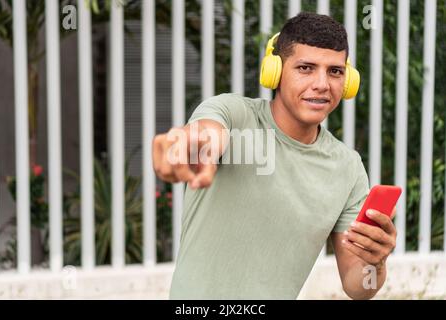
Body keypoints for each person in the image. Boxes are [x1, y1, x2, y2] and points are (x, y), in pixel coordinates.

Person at [153, 12, 397, 299]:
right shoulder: (233, 115)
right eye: (306, 68)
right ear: (276, 72)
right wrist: (184, 149)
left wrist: (376, 262)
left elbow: (360, 288)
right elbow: (206, 135)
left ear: (348, 81)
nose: (322, 84)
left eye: (334, 71)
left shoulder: (348, 167)